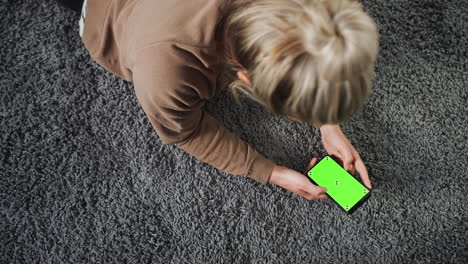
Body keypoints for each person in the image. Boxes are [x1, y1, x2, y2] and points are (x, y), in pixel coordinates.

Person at [58, 0, 378, 201]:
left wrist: (328, 122)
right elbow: (187, 132)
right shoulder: (165, 72)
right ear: (245, 79)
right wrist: (268, 171)